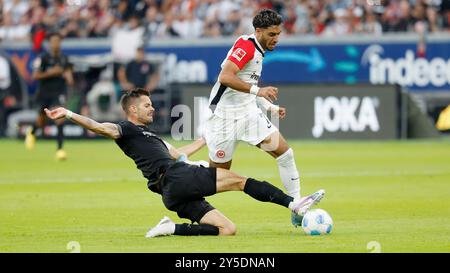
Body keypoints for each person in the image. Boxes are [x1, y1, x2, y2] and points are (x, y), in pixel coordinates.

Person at [43, 88, 325, 237]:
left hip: (171, 193)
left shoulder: (149, 136)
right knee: (240, 181)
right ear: (131, 110)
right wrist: (69, 113)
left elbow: (179, 153)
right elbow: (99, 126)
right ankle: (294, 204)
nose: (152, 107)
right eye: (146, 104)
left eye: (151, 103)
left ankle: (171, 228)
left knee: (227, 230)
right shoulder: (125, 129)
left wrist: (206, 139)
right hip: (176, 178)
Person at [203, 9, 310, 227]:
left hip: (249, 115)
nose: (276, 39)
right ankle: (186, 168)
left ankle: (297, 206)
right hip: (224, 118)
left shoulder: (259, 51)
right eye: (271, 34)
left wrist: (268, 106)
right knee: (217, 176)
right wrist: (258, 92)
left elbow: (247, 85)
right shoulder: (246, 46)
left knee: (285, 154)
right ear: (258, 31)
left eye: (278, 34)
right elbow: (225, 77)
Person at [25, 32, 74, 161]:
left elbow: (69, 76)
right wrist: (51, 72)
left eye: (58, 41)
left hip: (58, 92)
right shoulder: (43, 58)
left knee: (60, 118)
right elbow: (35, 76)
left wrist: (69, 78)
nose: (55, 44)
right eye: (53, 41)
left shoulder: (65, 59)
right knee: (41, 120)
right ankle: (32, 131)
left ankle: (60, 150)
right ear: (49, 43)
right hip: (44, 93)